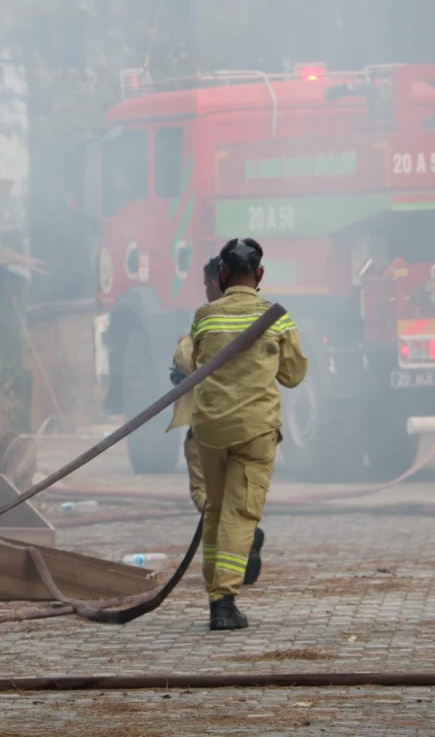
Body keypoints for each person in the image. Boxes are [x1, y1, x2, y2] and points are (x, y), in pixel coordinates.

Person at [190, 238, 307, 631]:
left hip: (209, 429)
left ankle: (213, 594)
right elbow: (292, 376)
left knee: (215, 511)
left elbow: (195, 363)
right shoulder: (278, 319)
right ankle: (223, 603)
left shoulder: (205, 316)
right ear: (259, 276)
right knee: (240, 515)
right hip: (255, 430)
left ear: (222, 275)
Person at [168, 257, 265, 587]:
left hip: (209, 426)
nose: (206, 290)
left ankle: (230, 573)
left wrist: (182, 342)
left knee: (206, 494)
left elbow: (187, 360)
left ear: (216, 282)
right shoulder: (257, 315)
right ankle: (244, 545)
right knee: (238, 493)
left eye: (207, 284)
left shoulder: (208, 319)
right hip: (251, 424)